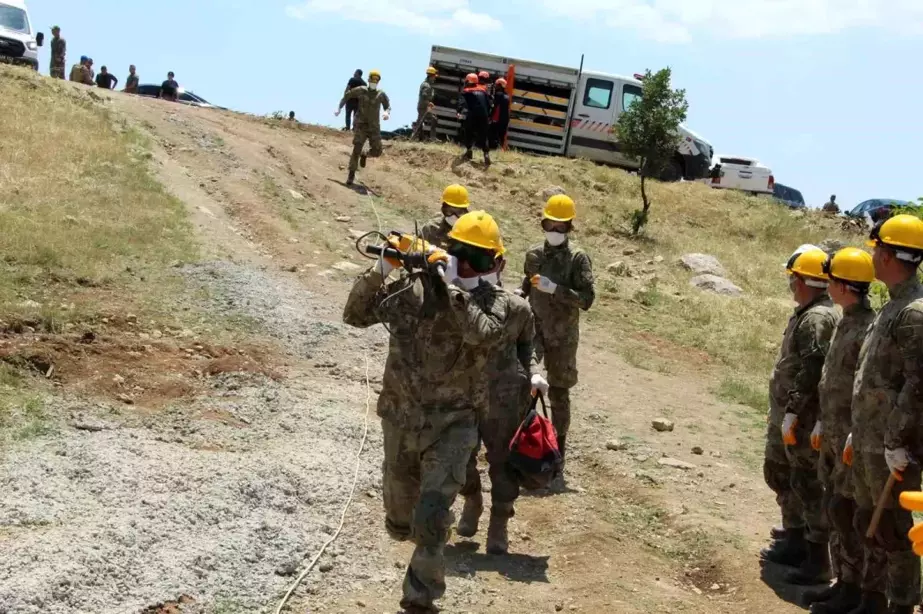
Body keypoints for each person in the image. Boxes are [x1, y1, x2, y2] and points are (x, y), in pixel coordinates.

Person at [343, 210, 510, 614]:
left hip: (453, 426)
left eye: (480, 260)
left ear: (496, 263)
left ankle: (419, 601)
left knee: (432, 521)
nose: (470, 266)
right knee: (400, 518)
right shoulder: (413, 292)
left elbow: (482, 333)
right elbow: (355, 315)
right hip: (400, 418)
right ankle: (404, 525)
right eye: (462, 255)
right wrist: (382, 267)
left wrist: (452, 284)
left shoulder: (494, 303)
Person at [848, 214, 923, 614]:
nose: (872, 256)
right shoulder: (892, 306)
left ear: (892, 255)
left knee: (896, 534)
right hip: (869, 440)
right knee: (869, 525)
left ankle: (900, 606)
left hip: (893, 448)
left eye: (877, 249)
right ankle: (871, 600)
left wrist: (896, 441)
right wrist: (857, 432)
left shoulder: (914, 313)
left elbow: (917, 385)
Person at [457, 250, 545, 555]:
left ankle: (499, 521)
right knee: (458, 455)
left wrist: (534, 373)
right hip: (460, 394)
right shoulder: (451, 301)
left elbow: (528, 345)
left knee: (502, 462)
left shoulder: (517, 307)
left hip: (505, 397)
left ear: (499, 264)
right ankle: (472, 498)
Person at [804, 248, 876, 613]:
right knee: (835, 506)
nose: (826, 285)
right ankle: (842, 582)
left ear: (844, 285)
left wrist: (851, 432)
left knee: (847, 512)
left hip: (851, 437)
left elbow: (864, 388)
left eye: (831, 280)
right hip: (832, 432)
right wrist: (821, 421)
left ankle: (854, 586)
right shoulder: (845, 319)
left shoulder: (867, 326)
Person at [760, 246, 838, 572]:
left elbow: (812, 369)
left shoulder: (817, 318)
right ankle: (795, 539)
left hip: (802, 419)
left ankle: (814, 556)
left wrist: (793, 411)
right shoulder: (808, 312)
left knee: (803, 482)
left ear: (803, 280)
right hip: (790, 414)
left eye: (794, 278)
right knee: (782, 474)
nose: (791, 284)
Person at [519, 194, 595, 487]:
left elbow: (587, 299)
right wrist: (520, 292)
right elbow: (527, 282)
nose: (555, 230)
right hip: (534, 331)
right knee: (524, 384)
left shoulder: (578, 258)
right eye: (551, 224)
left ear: (569, 228)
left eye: (561, 226)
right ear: (543, 223)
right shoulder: (533, 255)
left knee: (559, 395)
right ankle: (522, 447)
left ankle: (557, 457)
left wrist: (557, 290)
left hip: (563, 337)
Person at [335, 69, 390, 186]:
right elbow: (347, 95)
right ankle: (351, 175)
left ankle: (365, 154)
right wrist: (339, 108)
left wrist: (386, 112)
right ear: (368, 79)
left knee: (377, 151)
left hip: (374, 127)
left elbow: (388, 106)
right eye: (372, 79)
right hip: (361, 125)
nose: (374, 81)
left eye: (377, 80)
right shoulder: (361, 91)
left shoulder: (381, 94)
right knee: (356, 149)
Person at [456, 73, 492, 168]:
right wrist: (487, 115)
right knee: (484, 135)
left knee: (468, 132)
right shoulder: (483, 91)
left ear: (468, 81)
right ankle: (486, 154)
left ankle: (469, 152)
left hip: (472, 115)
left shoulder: (466, 91)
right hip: (484, 116)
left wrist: (459, 111)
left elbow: (461, 103)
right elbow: (489, 104)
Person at [420, 184, 470, 249]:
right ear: (443, 209)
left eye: (458, 212)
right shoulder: (431, 228)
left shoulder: (468, 234)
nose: (453, 216)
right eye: (449, 211)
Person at [412, 67, 437, 140]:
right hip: (423, 107)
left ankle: (432, 137)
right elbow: (424, 95)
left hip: (424, 106)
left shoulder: (427, 84)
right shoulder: (426, 85)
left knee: (433, 119)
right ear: (431, 76)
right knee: (420, 123)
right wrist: (429, 103)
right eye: (434, 77)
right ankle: (413, 138)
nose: (434, 78)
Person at [489, 78, 510, 150]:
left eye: (497, 85)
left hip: (498, 119)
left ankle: (493, 148)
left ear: (500, 85)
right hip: (505, 119)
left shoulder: (498, 94)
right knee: (502, 136)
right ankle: (501, 149)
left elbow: (494, 106)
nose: (495, 86)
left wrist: (490, 116)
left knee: (492, 133)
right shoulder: (507, 95)